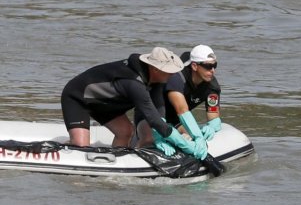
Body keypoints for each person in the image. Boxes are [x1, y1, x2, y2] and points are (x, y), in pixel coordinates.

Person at [60, 47, 206, 160]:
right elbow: (152, 118)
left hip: (105, 103)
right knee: (82, 147)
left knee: (126, 132)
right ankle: (67, 145)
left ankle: (116, 162)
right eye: (169, 71)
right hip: (78, 97)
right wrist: (184, 145)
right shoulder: (134, 83)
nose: (172, 75)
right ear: (155, 69)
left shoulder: (158, 79)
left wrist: (161, 137)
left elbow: (159, 111)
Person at [136, 45, 222, 156]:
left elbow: (213, 115)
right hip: (151, 116)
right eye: (208, 66)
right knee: (148, 139)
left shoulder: (212, 87)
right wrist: (198, 137)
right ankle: (135, 154)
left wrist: (211, 127)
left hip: (175, 120)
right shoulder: (177, 78)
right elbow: (182, 110)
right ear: (194, 66)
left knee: (190, 135)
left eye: (215, 65)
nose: (213, 70)